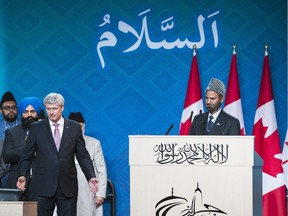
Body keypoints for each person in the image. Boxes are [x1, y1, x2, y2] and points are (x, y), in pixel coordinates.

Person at [16, 93, 98, 216]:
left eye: (54, 108)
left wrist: (90, 176)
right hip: (43, 185)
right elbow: (26, 156)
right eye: (48, 109)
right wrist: (23, 174)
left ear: (62, 108)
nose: (51, 112)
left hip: (67, 186)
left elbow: (83, 155)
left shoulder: (74, 127)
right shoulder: (36, 128)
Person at [2, 97, 42, 200]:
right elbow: (7, 157)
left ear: (37, 113)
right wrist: (29, 147)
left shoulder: (46, 132)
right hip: (17, 183)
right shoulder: (12, 132)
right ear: (21, 113)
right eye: (26, 112)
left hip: (41, 183)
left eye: (32, 111)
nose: (29, 115)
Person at [68, 112, 107, 216]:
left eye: (79, 126)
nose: (77, 129)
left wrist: (101, 194)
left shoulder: (94, 143)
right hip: (67, 189)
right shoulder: (59, 144)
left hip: (88, 192)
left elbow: (101, 170)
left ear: (84, 127)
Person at [0, 91, 21, 187]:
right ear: (1, 110)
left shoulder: (26, 126)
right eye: (7, 108)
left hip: (21, 176)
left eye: (13, 107)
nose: (11, 110)